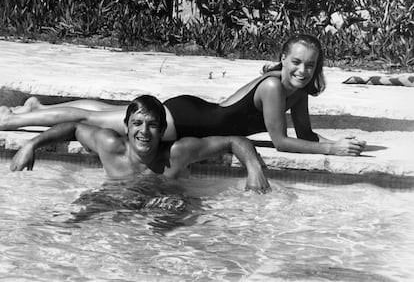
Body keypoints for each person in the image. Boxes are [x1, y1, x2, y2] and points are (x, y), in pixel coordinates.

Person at [1, 34, 365, 156]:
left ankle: (37, 106)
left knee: (104, 110)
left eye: (310, 66)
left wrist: (335, 141)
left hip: (195, 111)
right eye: (296, 63)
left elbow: (304, 136)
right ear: (282, 59)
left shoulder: (295, 91)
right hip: (184, 120)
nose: (303, 71)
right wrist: (331, 150)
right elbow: (282, 142)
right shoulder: (273, 87)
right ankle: (14, 120)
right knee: (90, 120)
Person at [10, 94, 271, 194]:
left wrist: (254, 168)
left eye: (152, 125)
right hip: (116, 199)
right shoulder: (111, 145)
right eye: (137, 124)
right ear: (126, 126)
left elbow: (234, 141)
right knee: (75, 218)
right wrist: (31, 144)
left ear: (163, 130)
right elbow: (74, 128)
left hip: (166, 207)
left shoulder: (178, 154)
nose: (143, 132)